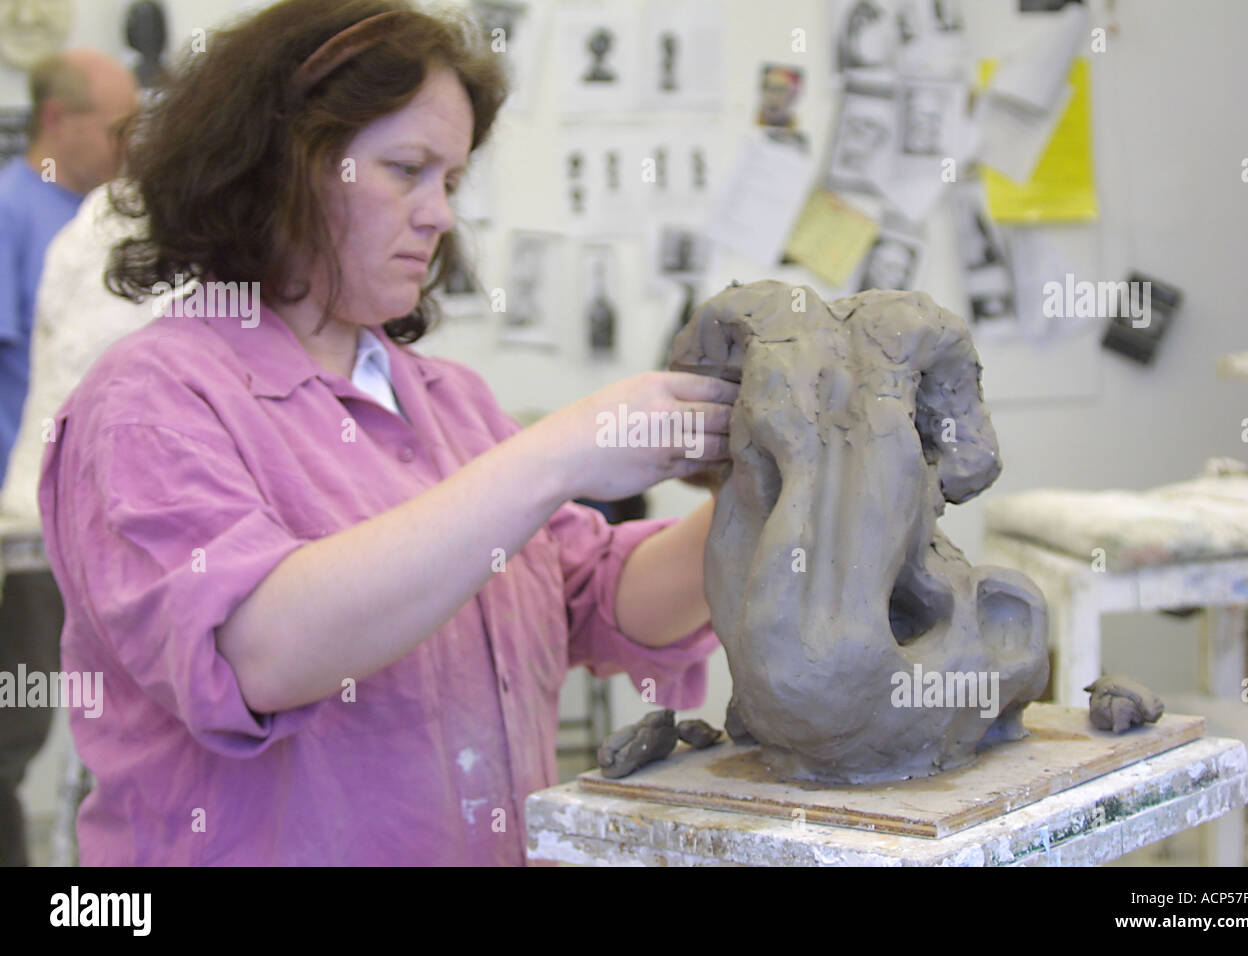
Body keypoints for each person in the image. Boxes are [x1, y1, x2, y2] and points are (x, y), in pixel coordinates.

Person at [38, 0, 734, 866]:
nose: (441, 215)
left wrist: (766, 500)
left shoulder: (448, 402)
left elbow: (591, 600)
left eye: (450, 180)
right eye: (408, 169)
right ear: (282, 165)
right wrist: (563, 450)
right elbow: (260, 652)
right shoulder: (150, 403)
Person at [0, 48, 136, 868]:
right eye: (116, 128)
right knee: (15, 734)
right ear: (58, 121)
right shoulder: (16, 212)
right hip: (27, 527)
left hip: (87, 527)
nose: (127, 147)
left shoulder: (102, 221)